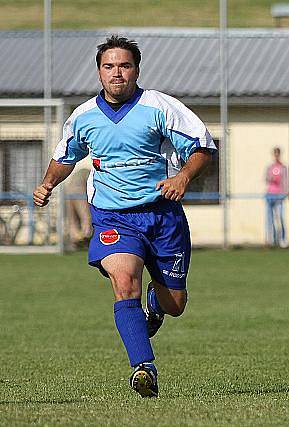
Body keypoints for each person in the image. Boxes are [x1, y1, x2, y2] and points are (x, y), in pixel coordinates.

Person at [32, 36, 216, 398]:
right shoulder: (83, 117)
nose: (117, 73)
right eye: (109, 66)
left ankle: (155, 305)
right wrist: (47, 184)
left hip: (163, 218)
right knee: (123, 280)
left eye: (124, 66)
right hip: (114, 217)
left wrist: (182, 176)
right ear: (99, 71)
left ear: (136, 70)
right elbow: (66, 155)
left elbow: (203, 148)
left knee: (174, 304)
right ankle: (143, 368)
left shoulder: (161, 107)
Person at [265, 147, 288, 248]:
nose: (276, 156)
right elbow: (266, 178)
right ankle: (271, 239)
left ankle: (282, 239)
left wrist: (285, 193)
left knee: (280, 218)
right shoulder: (270, 167)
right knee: (270, 219)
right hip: (270, 194)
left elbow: (285, 181)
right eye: (275, 154)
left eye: (278, 154)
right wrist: (271, 178)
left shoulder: (283, 167)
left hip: (279, 195)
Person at [66, 167, 93, 248]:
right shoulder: (89, 173)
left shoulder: (81, 172)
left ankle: (74, 238)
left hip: (68, 193)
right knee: (86, 217)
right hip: (80, 193)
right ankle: (86, 237)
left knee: (72, 219)